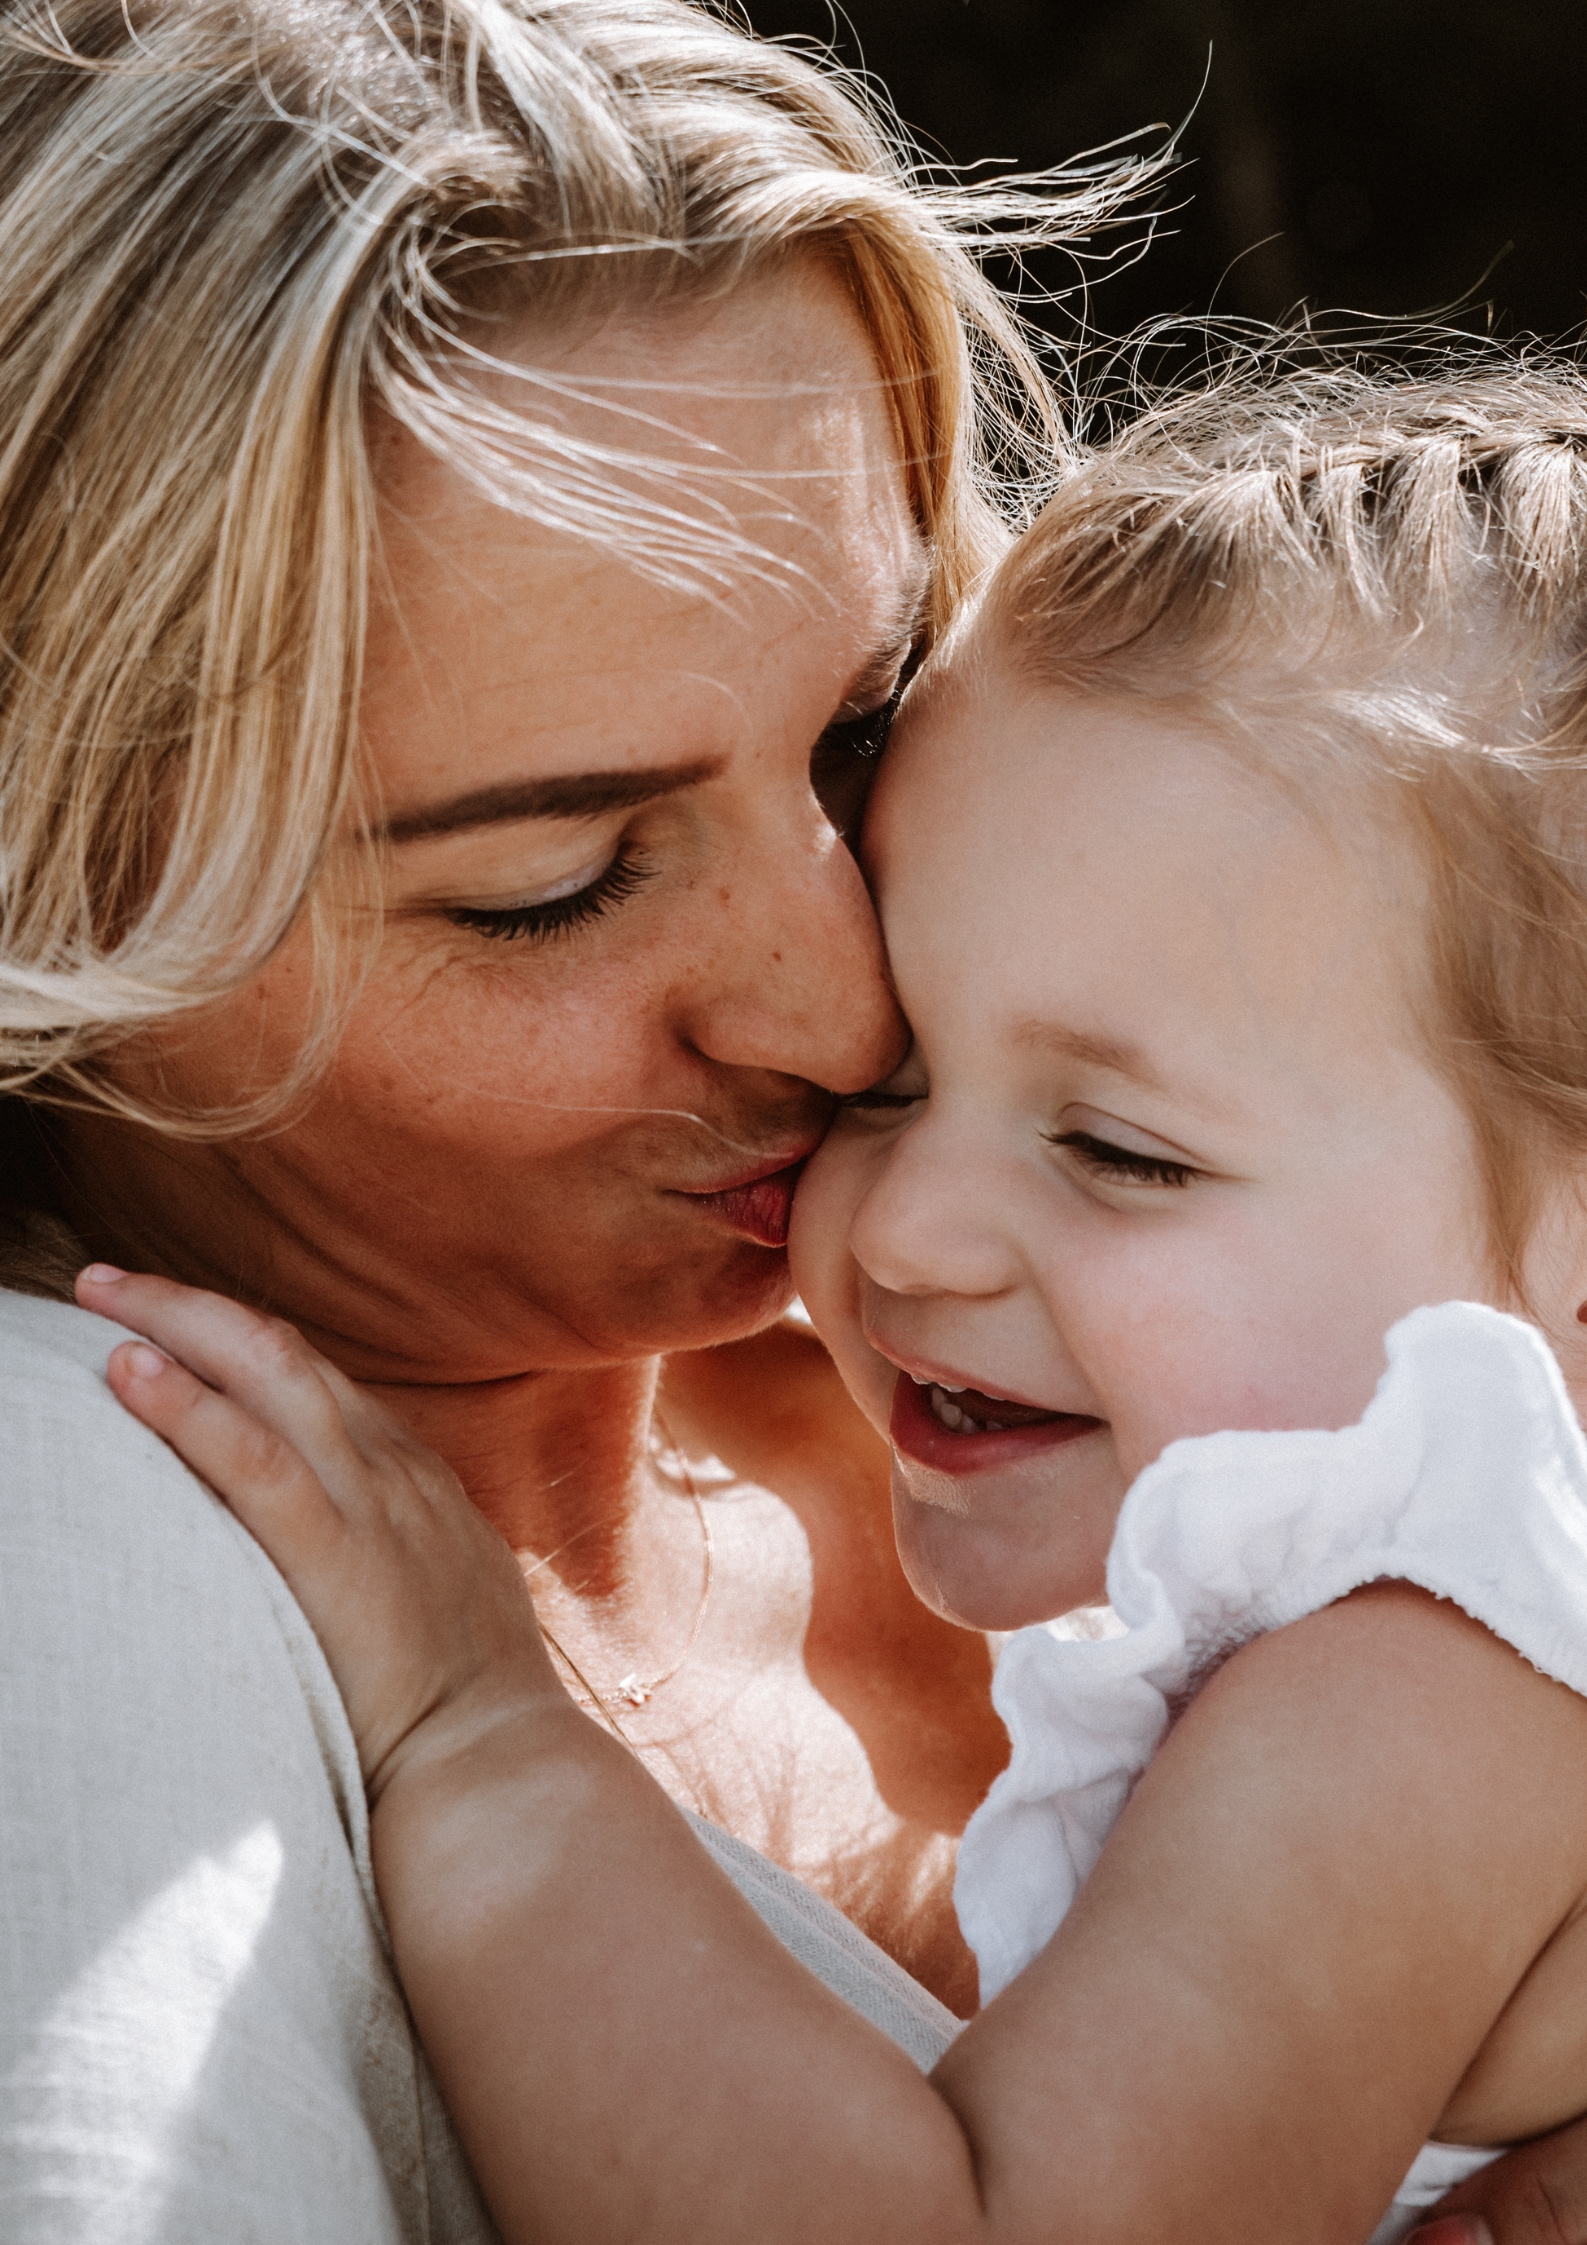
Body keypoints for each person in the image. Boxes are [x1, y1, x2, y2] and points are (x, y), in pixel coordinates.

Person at [90, 358, 1587, 2245]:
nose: (900, 1237)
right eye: (893, 1082)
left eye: (1124, 1150)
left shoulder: (1417, 1690)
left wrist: (482, 1741)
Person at [0, 0, 1132, 2231]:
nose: (842, 1003)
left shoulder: (1121, 1301)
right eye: (552, 885)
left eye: (863, 727)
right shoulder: (73, 1569)